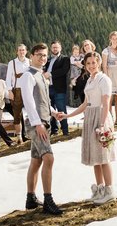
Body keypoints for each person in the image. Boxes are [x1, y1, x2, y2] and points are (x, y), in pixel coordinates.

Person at [57, 51, 115, 204]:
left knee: (103, 156)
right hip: (90, 116)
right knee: (95, 157)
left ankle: (109, 190)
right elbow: (85, 104)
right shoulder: (89, 80)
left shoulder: (104, 79)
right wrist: (67, 116)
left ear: (99, 62)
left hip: (100, 116)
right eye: (88, 63)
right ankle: (100, 189)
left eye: (93, 63)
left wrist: (102, 125)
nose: (91, 66)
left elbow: (105, 103)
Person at [19, 43, 63, 215]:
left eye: (45, 55)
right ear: (32, 56)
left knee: (36, 161)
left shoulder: (42, 76)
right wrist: (37, 124)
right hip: (35, 124)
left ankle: (30, 198)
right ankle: (48, 200)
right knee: (49, 158)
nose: (42, 58)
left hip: (44, 121)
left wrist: (53, 113)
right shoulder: (28, 76)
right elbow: (28, 102)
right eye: (39, 55)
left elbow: (44, 100)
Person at [44, 40, 71, 136]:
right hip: (48, 88)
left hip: (59, 88)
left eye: (57, 47)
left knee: (61, 109)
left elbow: (63, 71)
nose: (55, 49)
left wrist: (50, 74)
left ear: (60, 48)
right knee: (50, 110)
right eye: (53, 47)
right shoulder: (47, 60)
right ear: (51, 48)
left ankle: (65, 130)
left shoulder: (65, 59)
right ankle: (54, 130)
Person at [101, 32, 117, 125]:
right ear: (110, 39)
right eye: (113, 38)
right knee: (109, 98)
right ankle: (109, 119)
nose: (115, 40)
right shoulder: (106, 50)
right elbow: (104, 65)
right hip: (110, 74)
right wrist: (107, 77)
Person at [6, 44, 30, 141]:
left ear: (26, 51)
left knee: (32, 111)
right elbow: (8, 78)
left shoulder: (29, 62)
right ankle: (19, 137)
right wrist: (9, 91)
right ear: (17, 52)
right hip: (17, 90)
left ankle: (32, 133)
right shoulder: (12, 63)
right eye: (20, 50)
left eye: (23, 50)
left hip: (28, 89)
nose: (21, 52)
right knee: (17, 114)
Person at [72, 39, 94, 106]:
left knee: (92, 102)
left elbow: (95, 68)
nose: (86, 46)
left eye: (88, 45)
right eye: (85, 46)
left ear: (91, 45)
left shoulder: (95, 55)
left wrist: (82, 66)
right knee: (84, 102)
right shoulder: (82, 57)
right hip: (82, 81)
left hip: (92, 80)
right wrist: (74, 78)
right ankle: (86, 116)